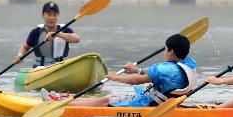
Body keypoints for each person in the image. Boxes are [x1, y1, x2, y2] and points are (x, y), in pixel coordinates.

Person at [65, 34, 197, 107]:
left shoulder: (164, 69)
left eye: (165, 48)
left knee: (105, 101)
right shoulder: (187, 65)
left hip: (148, 104)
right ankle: (68, 100)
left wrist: (115, 78)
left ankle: (64, 105)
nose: (164, 51)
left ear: (171, 51)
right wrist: (136, 69)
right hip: (162, 104)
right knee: (109, 98)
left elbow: (136, 81)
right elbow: (155, 75)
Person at [15, 1, 81, 68]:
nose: (52, 18)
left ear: (58, 16)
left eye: (55, 15)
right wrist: (20, 55)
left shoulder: (64, 29)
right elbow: (25, 47)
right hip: (40, 68)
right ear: (43, 15)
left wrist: (58, 34)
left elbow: (77, 39)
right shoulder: (36, 32)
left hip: (61, 67)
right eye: (49, 15)